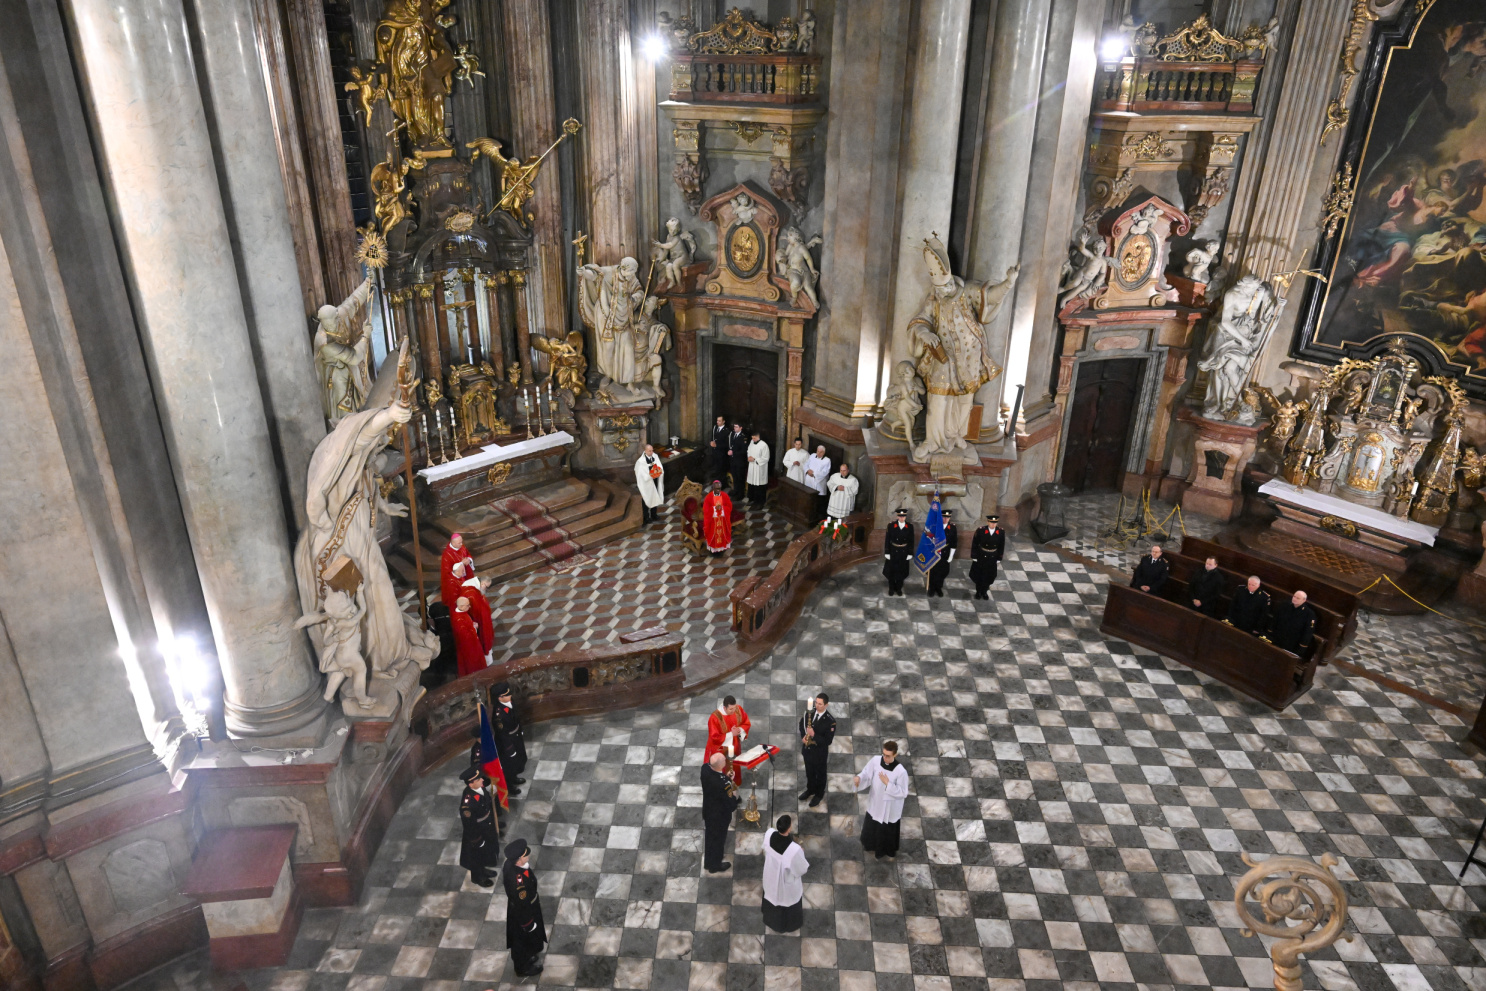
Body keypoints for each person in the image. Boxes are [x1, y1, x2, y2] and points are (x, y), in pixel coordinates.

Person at [854, 740, 909, 860]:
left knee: (886, 829)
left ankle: (883, 850)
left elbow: (903, 792)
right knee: (872, 823)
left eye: (888, 756)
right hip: (876, 802)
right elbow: (866, 773)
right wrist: (859, 778)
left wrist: (887, 784)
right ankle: (870, 845)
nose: (884, 758)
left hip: (889, 808)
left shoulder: (901, 772)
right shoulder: (875, 761)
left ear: (895, 755)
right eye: (883, 754)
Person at [502, 839, 547, 977]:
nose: (529, 856)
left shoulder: (512, 864)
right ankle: (522, 968)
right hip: (522, 915)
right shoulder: (518, 882)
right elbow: (522, 905)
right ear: (519, 859)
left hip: (526, 908)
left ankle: (529, 956)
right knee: (521, 941)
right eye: (526, 854)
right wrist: (528, 924)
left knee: (529, 939)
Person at [761, 815, 809, 933]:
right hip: (785, 883)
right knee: (785, 900)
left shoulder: (769, 834)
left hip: (770, 874)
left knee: (771, 895)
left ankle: (770, 919)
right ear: (789, 828)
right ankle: (785, 926)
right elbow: (802, 869)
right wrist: (800, 853)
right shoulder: (794, 850)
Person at [458, 766, 500, 887]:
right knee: (476, 856)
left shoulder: (479, 790)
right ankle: (477, 877)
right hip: (477, 833)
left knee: (485, 853)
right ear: (471, 784)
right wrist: (477, 840)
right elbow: (469, 825)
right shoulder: (468, 803)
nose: (482, 780)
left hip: (486, 827)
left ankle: (483, 870)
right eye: (479, 779)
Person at [701, 752, 740, 873]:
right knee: (718, 841)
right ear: (720, 765)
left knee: (710, 838)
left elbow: (717, 778)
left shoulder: (705, 769)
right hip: (719, 817)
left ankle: (709, 861)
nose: (726, 761)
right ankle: (715, 865)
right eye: (724, 761)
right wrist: (732, 790)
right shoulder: (723, 784)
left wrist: (727, 778)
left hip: (708, 811)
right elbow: (731, 805)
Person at [797, 692, 835, 807]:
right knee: (809, 772)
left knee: (820, 774)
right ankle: (810, 789)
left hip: (819, 753)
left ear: (826, 705)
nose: (817, 706)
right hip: (808, 750)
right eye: (816, 703)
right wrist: (803, 736)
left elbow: (828, 741)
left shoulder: (830, 721)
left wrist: (813, 735)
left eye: (820, 704)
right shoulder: (810, 712)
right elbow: (801, 724)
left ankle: (819, 794)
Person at [705, 695, 751, 785]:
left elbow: (746, 722)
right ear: (724, 707)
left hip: (735, 745)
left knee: (734, 765)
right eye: (731, 709)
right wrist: (731, 734)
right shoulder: (714, 718)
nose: (734, 711)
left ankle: (733, 784)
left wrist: (739, 730)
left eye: (734, 708)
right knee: (721, 769)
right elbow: (714, 737)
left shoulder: (738, 709)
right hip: (720, 749)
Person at [491, 682, 527, 798]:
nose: (510, 696)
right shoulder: (499, 715)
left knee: (519, 760)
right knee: (509, 765)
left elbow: (516, 718)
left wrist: (519, 730)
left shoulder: (509, 703)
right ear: (499, 697)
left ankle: (514, 777)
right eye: (507, 695)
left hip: (515, 736)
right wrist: (510, 749)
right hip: (507, 743)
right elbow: (503, 734)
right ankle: (510, 786)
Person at [1268, 589, 1316, 654]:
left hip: (1292, 643)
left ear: (1304, 600)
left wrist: (1302, 647)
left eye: (1298, 598)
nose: (1294, 599)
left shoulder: (1309, 614)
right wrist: (1270, 632)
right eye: (1294, 596)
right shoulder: (1285, 605)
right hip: (1277, 637)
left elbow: (1308, 632)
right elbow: (1275, 619)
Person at [451, 596, 489, 677]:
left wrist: (472, 624)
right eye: (468, 605)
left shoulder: (461, 613)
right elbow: (465, 636)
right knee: (472, 665)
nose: (470, 607)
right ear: (460, 606)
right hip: (469, 648)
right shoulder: (458, 620)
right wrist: (473, 628)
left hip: (473, 643)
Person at [969, 514, 1005, 600]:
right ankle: (978, 591)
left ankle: (984, 592)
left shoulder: (1000, 532)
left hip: (992, 556)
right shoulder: (981, 530)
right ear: (987, 522)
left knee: (989, 575)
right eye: (991, 522)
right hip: (981, 555)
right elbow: (975, 543)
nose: (993, 524)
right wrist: (974, 555)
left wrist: (999, 558)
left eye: (995, 523)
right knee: (979, 574)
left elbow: (1001, 546)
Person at [883, 508, 914, 596]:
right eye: (900, 516)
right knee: (892, 570)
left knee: (901, 570)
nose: (901, 518)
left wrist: (910, 553)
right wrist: (887, 552)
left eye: (903, 516)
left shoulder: (910, 526)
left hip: (904, 551)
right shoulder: (891, 526)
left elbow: (911, 540)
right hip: (893, 550)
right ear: (897, 516)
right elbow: (887, 539)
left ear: (905, 517)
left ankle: (899, 588)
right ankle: (891, 588)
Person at [441, 532, 476, 608]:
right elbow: (447, 572)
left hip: (466, 575)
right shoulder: (447, 555)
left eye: (461, 542)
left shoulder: (462, 546)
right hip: (456, 580)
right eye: (459, 543)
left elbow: (467, 554)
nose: (461, 544)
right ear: (453, 543)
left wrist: (469, 560)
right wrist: (461, 564)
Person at [927, 509, 957, 597]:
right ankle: (931, 588)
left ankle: (938, 587)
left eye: (947, 517)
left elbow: (954, 542)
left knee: (942, 571)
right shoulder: (935, 526)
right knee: (933, 571)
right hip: (935, 552)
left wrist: (951, 555)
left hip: (945, 552)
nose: (945, 519)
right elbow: (928, 538)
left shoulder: (952, 528)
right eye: (944, 517)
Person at [634, 444, 665, 525]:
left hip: (654, 480)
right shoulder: (640, 462)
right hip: (646, 484)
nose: (652, 452)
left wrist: (658, 472)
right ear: (645, 451)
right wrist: (650, 475)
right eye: (649, 451)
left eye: (652, 450)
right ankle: (646, 517)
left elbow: (659, 466)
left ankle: (654, 514)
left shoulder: (655, 456)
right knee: (646, 499)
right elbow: (640, 474)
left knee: (655, 497)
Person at [702, 479, 733, 555]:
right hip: (713, 522)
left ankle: (721, 550)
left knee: (722, 537)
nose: (718, 490)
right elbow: (706, 510)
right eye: (716, 489)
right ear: (713, 488)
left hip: (722, 521)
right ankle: (714, 552)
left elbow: (729, 507)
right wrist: (714, 509)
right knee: (714, 537)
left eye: (719, 489)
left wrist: (722, 509)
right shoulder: (709, 497)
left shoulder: (724, 496)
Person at [804, 445, 831, 519]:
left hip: (819, 483)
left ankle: (817, 517)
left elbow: (825, 472)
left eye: (821, 452)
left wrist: (814, 474)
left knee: (818, 501)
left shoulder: (827, 460)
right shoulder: (812, 455)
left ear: (824, 453)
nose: (819, 453)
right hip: (809, 481)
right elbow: (806, 464)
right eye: (818, 451)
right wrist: (807, 470)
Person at [745, 430, 770, 507]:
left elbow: (766, 458)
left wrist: (755, 460)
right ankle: (752, 499)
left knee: (759, 486)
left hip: (759, 468)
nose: (753, 439)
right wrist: (749, 457)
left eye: (754, 438)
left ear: (758, 437)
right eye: (752, 438)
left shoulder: (764, 445)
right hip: (752, 467)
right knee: (752, 484)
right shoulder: (751, 443)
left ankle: (759, 503)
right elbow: (748, 451)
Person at [727, 422, 749, 499]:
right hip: (733, 460)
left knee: (740, 478)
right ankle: (735, 491)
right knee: (735, 477)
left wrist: (734, 452)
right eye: (734, 427)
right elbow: (731, 445)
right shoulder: (733, 434)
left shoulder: (744, 437)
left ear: (740, 428)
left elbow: (744, 451)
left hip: (740, 462)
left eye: (736, 427)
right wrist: (729, 451)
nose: (734, 428)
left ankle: (740, 494)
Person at [710, 415, 730, 482]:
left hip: (722, 454)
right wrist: (712, 442)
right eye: (717, 420)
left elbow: (727, 444)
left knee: (721, 470)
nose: (717, 422)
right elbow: (713, 437)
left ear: (723, 421)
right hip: (715, 453)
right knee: (716, 469)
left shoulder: (727, 431)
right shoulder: (715, 428)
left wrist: (717, 445)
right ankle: (715, 482)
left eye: (719, 421)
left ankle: (722, 484)